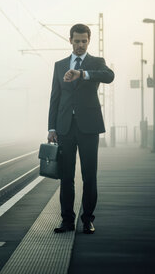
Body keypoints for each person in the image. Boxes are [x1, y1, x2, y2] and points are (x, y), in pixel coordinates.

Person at [48, 23, 114, 234]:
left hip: (89, 127)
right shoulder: (59, 65)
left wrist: (82, 74)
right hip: (65, 128)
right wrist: (51, 127)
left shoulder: (96, 63)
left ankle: (87, 220)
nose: (80, 45)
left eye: (84, 41)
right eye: (77, 41)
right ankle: (67, 221)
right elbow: (55, 98)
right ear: (70, 40)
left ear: (89, 40)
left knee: (89, 176)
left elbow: (109, 76)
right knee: (66, 177)